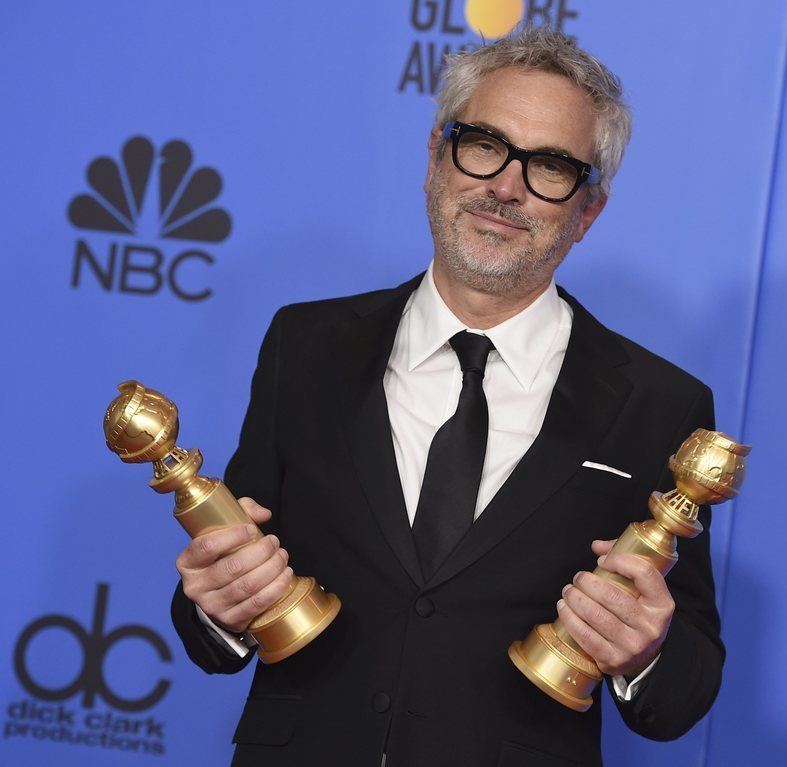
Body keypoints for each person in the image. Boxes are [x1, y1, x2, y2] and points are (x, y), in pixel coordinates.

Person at [170, 26, 723, 767]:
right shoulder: (305, 345)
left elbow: (681, 695)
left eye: (551, 166)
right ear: (435, 157)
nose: (506, 185)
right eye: (484, 144)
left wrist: (646, 649)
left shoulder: (662, 405)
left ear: (588, 211)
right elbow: (226, 587)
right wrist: (217, 604)